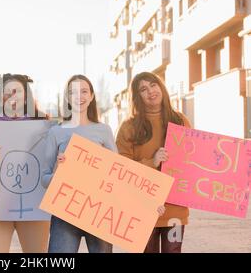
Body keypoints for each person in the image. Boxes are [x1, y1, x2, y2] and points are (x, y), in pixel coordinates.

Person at [0, 73, 50, 253]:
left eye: (18, 92)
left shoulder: (42, 124)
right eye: (7, 92)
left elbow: (51, 160)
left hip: (35, 208)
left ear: (26, 97)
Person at [116, 71, 190, 253]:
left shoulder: (180, 121)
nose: (150, 91)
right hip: (142, 208)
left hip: (175, 210)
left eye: (153, 84)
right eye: (143, 89)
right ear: (137, 97)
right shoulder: (129, 127)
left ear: (161, 87)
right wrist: (152, 162)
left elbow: (192, 161)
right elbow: (120, 168)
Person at [41, 74, 116, 253]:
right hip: (65, 213)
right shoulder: (55, 132)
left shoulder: (104, 131)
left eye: (84, 91)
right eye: (73, 92)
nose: (79, 96)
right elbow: (44, 179)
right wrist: (58, 173)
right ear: (67, 98)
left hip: (99, 211)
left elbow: (118, 176)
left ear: (91, 96)